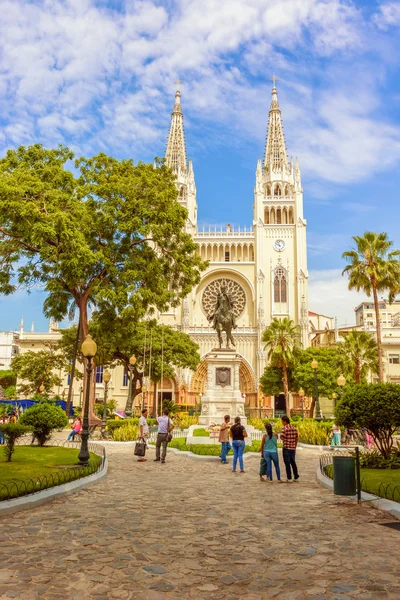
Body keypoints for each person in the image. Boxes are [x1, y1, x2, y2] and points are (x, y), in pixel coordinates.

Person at [280, 415, 299, 482]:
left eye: (282, 421)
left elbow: (282, 437)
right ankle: (296, 476)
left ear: (285, 421)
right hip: (293, 448)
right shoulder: (294, 428)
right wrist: (295, 445)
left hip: (286, 447)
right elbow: (297, 438)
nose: (282, 423)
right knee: (293, 462)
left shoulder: (284, 429)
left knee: (287, 463)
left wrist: (285, 439)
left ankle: (289, 477)